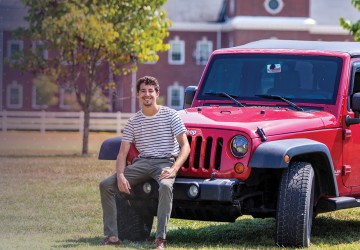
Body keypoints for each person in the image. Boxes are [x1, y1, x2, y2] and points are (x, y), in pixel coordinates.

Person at [99, 76, 190, 249]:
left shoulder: (171, 115)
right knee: (106, 185)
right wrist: (120, 176)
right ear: (138, 95)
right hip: (141, 164)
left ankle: (160, 239)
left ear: (157, 93)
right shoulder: (133, 122)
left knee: (165, 186)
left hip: (164, 162)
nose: (146, 94)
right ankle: (112, 237)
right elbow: (122, 153)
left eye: (150, 91)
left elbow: (185, 146)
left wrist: (174, 169)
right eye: (143, 91)